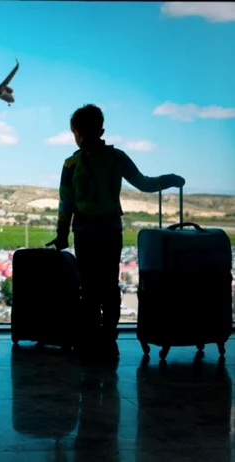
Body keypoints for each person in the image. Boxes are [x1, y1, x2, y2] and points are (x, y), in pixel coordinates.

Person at [47, 104, 185, 362]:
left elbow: (66, 203)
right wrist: (171, 179)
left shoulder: (71, 163)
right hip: (111, 230)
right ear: (102, 129)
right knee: (109, 285)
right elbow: (145, 183)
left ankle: (88, 341)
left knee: (88, 287)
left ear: (75, 131)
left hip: (85, 232)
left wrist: (62, 233)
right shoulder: (117, 157)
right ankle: (109, 339)